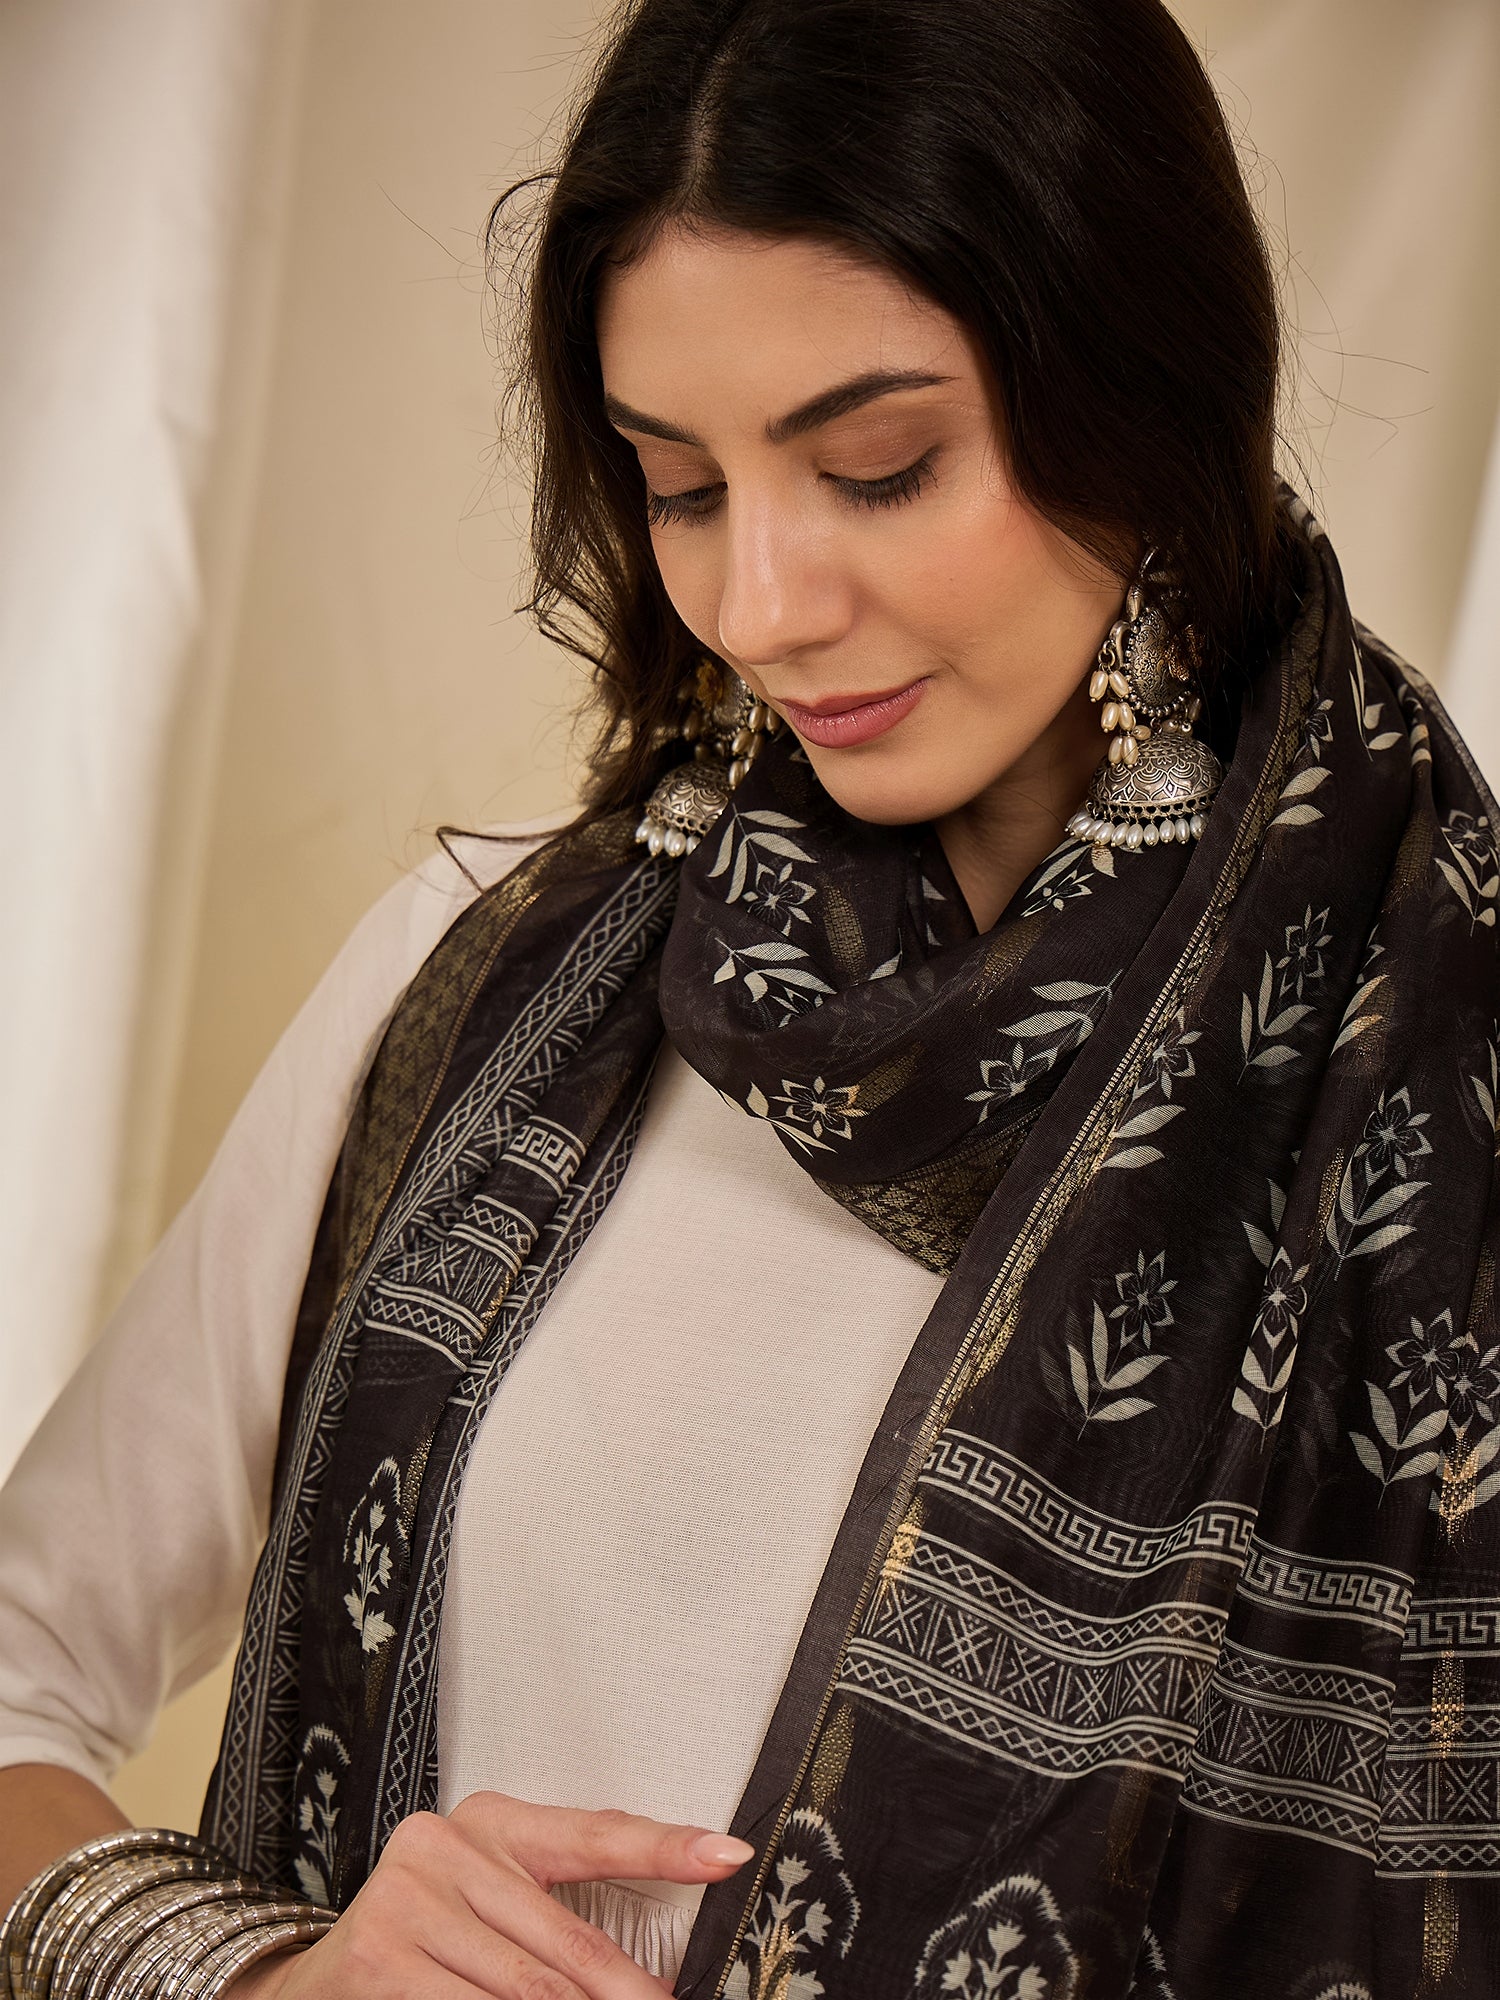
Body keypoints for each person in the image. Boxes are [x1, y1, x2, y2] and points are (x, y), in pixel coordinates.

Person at [2, 0, 1497, 1994]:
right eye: (682, 487)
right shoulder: (485, 991)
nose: (763, 604)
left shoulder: (1443, 1098)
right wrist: (252, 1973)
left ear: (1144, 404)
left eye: (877, 466)